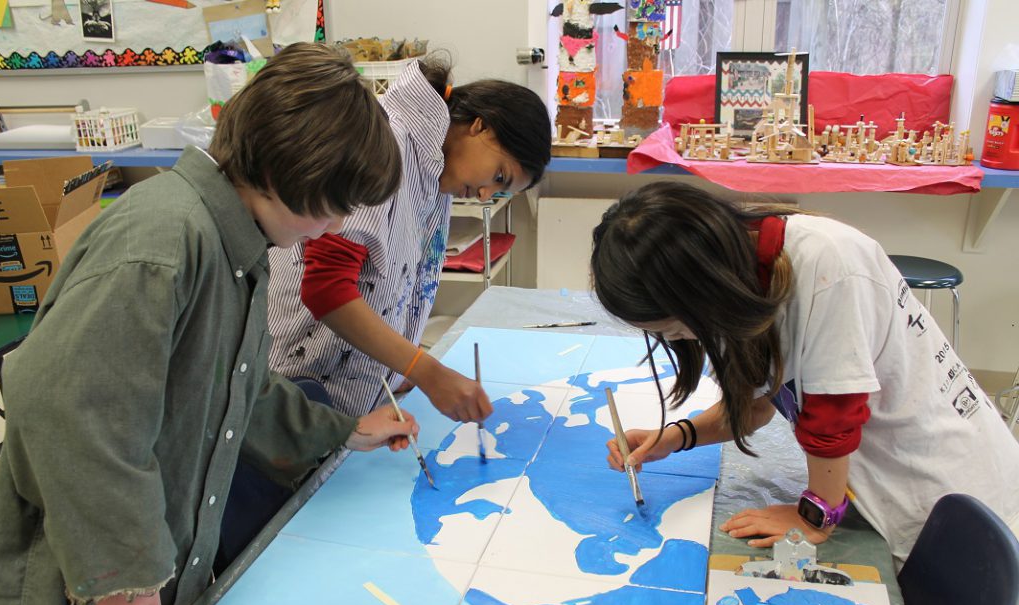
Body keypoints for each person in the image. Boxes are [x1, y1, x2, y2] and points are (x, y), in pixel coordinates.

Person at [0, 42, 419, 605]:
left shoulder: (233, 243)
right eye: (336, 204)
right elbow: (65, 405)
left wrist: (341, 431)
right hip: (74, 579)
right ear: (295, 173)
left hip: (143, 565)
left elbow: (233, 385)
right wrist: (122, 565)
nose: (334, 226)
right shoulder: (165, 240)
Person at [594, 181, 1019, 564]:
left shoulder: (829, 265)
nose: (681, 341)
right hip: (886, 486)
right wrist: (674, 437)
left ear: (696, 293)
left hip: (948, 495)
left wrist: (816, 515)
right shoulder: (735, 277)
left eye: (671, 329)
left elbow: (833, 416)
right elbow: (755, 406)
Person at [267, 54, 552, 423]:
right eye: (499, 176)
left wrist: (393, 368)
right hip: (295, 388)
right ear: (482, 127)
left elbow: (390, 282)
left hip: (340, 396)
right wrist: (427, 372)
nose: (484, 194)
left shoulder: (435, 172)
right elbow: (325, 288)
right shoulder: (392, 148)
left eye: (498, 192)